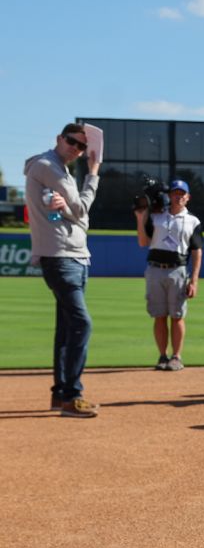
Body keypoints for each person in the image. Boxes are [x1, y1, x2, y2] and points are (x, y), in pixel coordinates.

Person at [24, 122, 101, 418]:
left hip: (75, 256)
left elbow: (68, 215)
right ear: (59, 138)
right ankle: (72, 395)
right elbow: (82, 211)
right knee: (82, 323)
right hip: (61, 257)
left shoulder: (59, 171)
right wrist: (94, 173)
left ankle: (60, 394)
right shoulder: (48, 166)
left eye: (82, 146)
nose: (76, 149)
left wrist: (65, 210)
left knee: (67, 327)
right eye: (72, 142)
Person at [134, 180, 204, 372]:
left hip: (178, 269)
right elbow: (143, 242)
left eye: (182, 193)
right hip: (155, 268)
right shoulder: (156, 216)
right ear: (170, 195)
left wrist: (194, 280)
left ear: (188, 197)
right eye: (175, 193)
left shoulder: (193, 221)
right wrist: (140, 218)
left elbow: (197, 251)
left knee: (177, 316)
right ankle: (162, 356)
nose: (179, 196)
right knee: (159, 316)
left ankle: (176, 356)